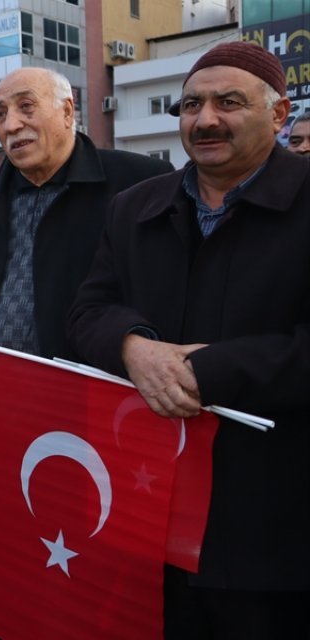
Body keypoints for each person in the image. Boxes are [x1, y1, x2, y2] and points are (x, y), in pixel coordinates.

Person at [68, 41, 310, 637]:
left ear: (279, 115)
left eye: (229, 103)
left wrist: (211, 372)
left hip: (274, 518)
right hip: (148, 505)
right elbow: (87, 311)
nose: (205, 120)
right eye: (190, 105)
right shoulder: (134, 208)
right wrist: (133, 347)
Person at [0, 68, 174, 561]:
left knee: (86, 558)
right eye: (0, 114)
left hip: (93, 418)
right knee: (9, 557)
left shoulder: (139, 184)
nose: (11, 125)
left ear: (69, 111)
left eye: (27, 107)